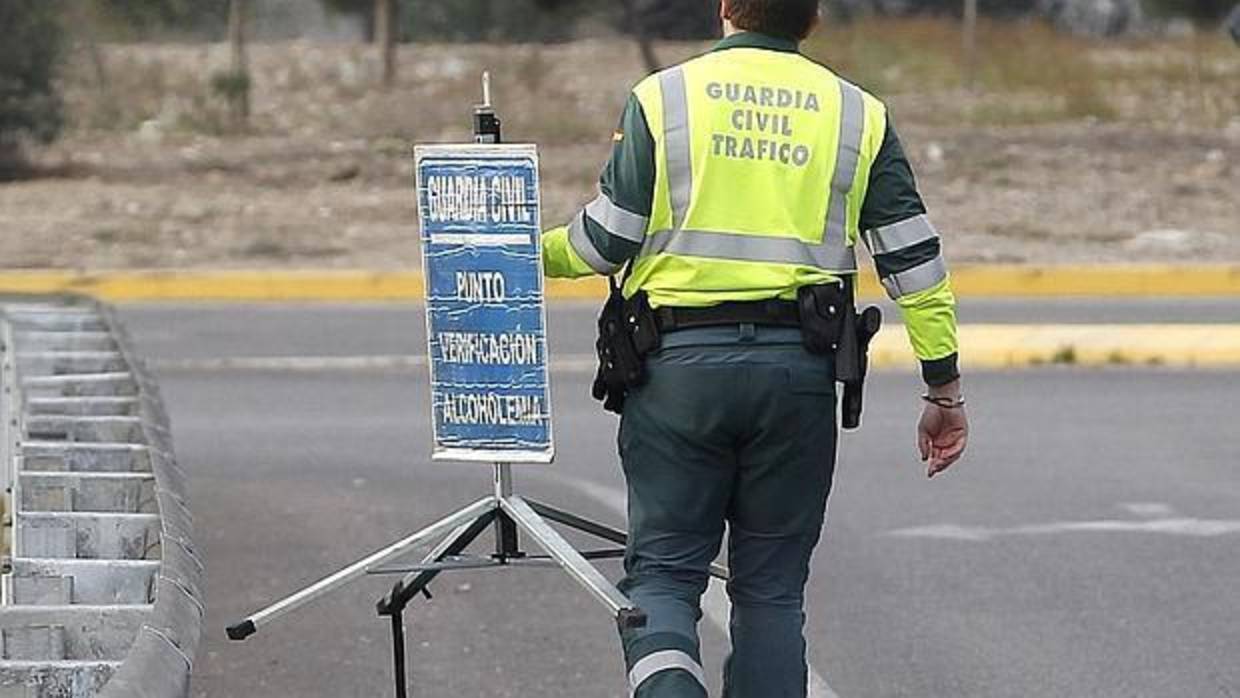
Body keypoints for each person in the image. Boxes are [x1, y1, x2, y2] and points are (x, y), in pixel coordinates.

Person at [541, 1, 969, 695]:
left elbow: (604, 242)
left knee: (665, 578)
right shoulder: (858, 114)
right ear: (813, 18)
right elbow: (914, 265)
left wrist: (527, 255)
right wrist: (942, 387)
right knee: (770, 592)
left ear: (725, 7)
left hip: (676, 373)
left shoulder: (664, 98)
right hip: (799, 375)